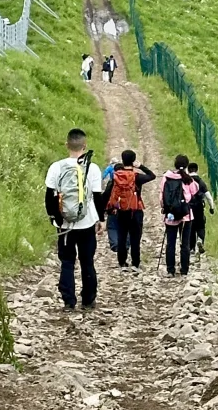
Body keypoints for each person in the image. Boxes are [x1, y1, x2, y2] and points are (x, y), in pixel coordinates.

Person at [45, 129, 105, 310]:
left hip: (64, 224)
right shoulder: (92, 168)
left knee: (67, 261)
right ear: (84, 146)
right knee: (87, 261)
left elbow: (50, 196)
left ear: (67, 145)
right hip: (87, 222)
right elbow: (97, 197)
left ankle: (68, 301)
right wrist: (100, 219)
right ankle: (88, 300)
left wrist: (54, 217)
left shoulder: (57, 167)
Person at [107, 150, 156, 269]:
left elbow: (109, 192)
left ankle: (122, 262)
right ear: (133, 161)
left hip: (121, 209)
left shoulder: (116, 176)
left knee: (122, 235)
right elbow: (152, 176)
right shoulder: (137, 177)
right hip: (135, 209)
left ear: (122, 160)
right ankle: (135, 262)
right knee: (135, 237)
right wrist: (140, 166)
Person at [160, 154, 195, 276]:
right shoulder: (188, 179)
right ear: (186, 165)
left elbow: (162, 196)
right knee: (185, 243)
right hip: (186, 216)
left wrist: (166, 209)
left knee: (170, 243)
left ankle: (170, 269)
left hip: (170, 216)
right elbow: (192, 194)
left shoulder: (166, 177)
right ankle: (184, 269)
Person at [186, 162, 213, 257]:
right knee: (201, 225)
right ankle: (200, 240)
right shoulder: (201, 182)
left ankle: (192, 248)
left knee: (191, 228)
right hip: (199, 207)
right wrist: (211, 207)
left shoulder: (186, 180)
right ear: (197, 170)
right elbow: (208, 196)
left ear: (188, 170)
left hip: (188, 208)